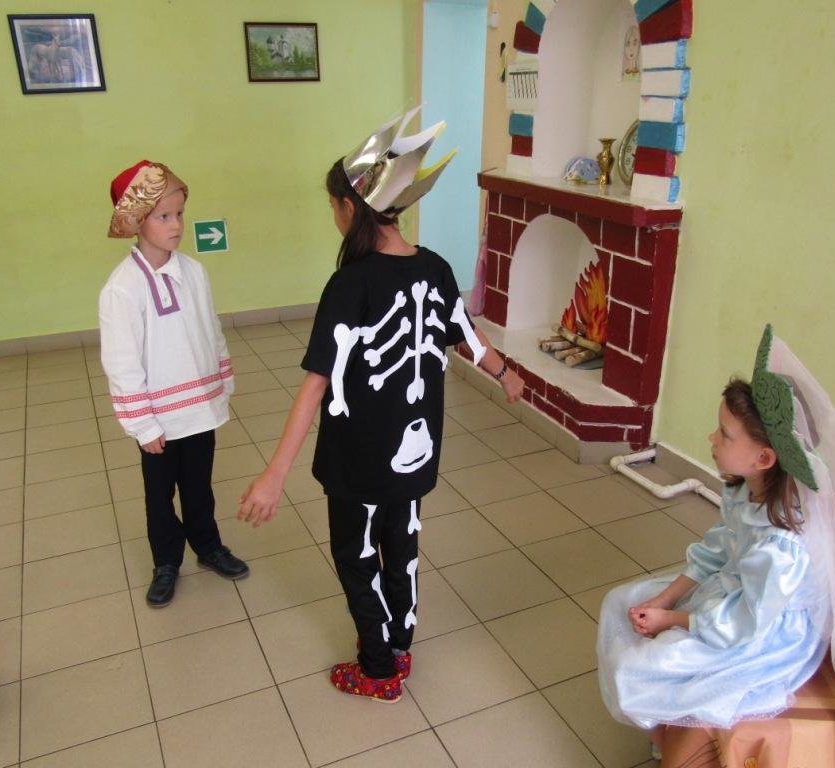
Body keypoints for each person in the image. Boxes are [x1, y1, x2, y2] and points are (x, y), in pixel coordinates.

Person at [237, 110, 524, 703]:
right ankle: (400, 645)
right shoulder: (435, 267)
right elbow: (467, 336)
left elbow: (317, 384)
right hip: (413, 454)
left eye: (333, 206)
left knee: (356, 556)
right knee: (403, 546)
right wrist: (505, 375)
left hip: (359, 459)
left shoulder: (351, 285)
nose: (333, 217)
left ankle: (377, 669)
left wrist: (274, 473)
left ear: (351, 209)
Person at [597, 325, 835, 749]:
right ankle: (665, 716)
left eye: (724, 434)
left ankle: (666, 732)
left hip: (759, 631)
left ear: (763, 457)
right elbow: (715, 550)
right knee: (620, 601)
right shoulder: (746, 490)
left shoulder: (782, 547)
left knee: (642, 665)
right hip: (732, 597)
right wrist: (665, 599)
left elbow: (747, 622)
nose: (711, 438)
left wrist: (673, 620)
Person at [99, 160, 249, 608]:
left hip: (199, 406)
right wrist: (142, 424)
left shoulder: (194, 272)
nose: (176, 225)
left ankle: (208, 546)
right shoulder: (122, 289)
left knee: (199, 484)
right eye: (163, 216)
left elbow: (211, 329)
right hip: (159, 420)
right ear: (135, 220)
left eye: (180, 213)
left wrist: (222, 380)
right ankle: (166, 561)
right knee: (160, 494)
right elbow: (121, 362)